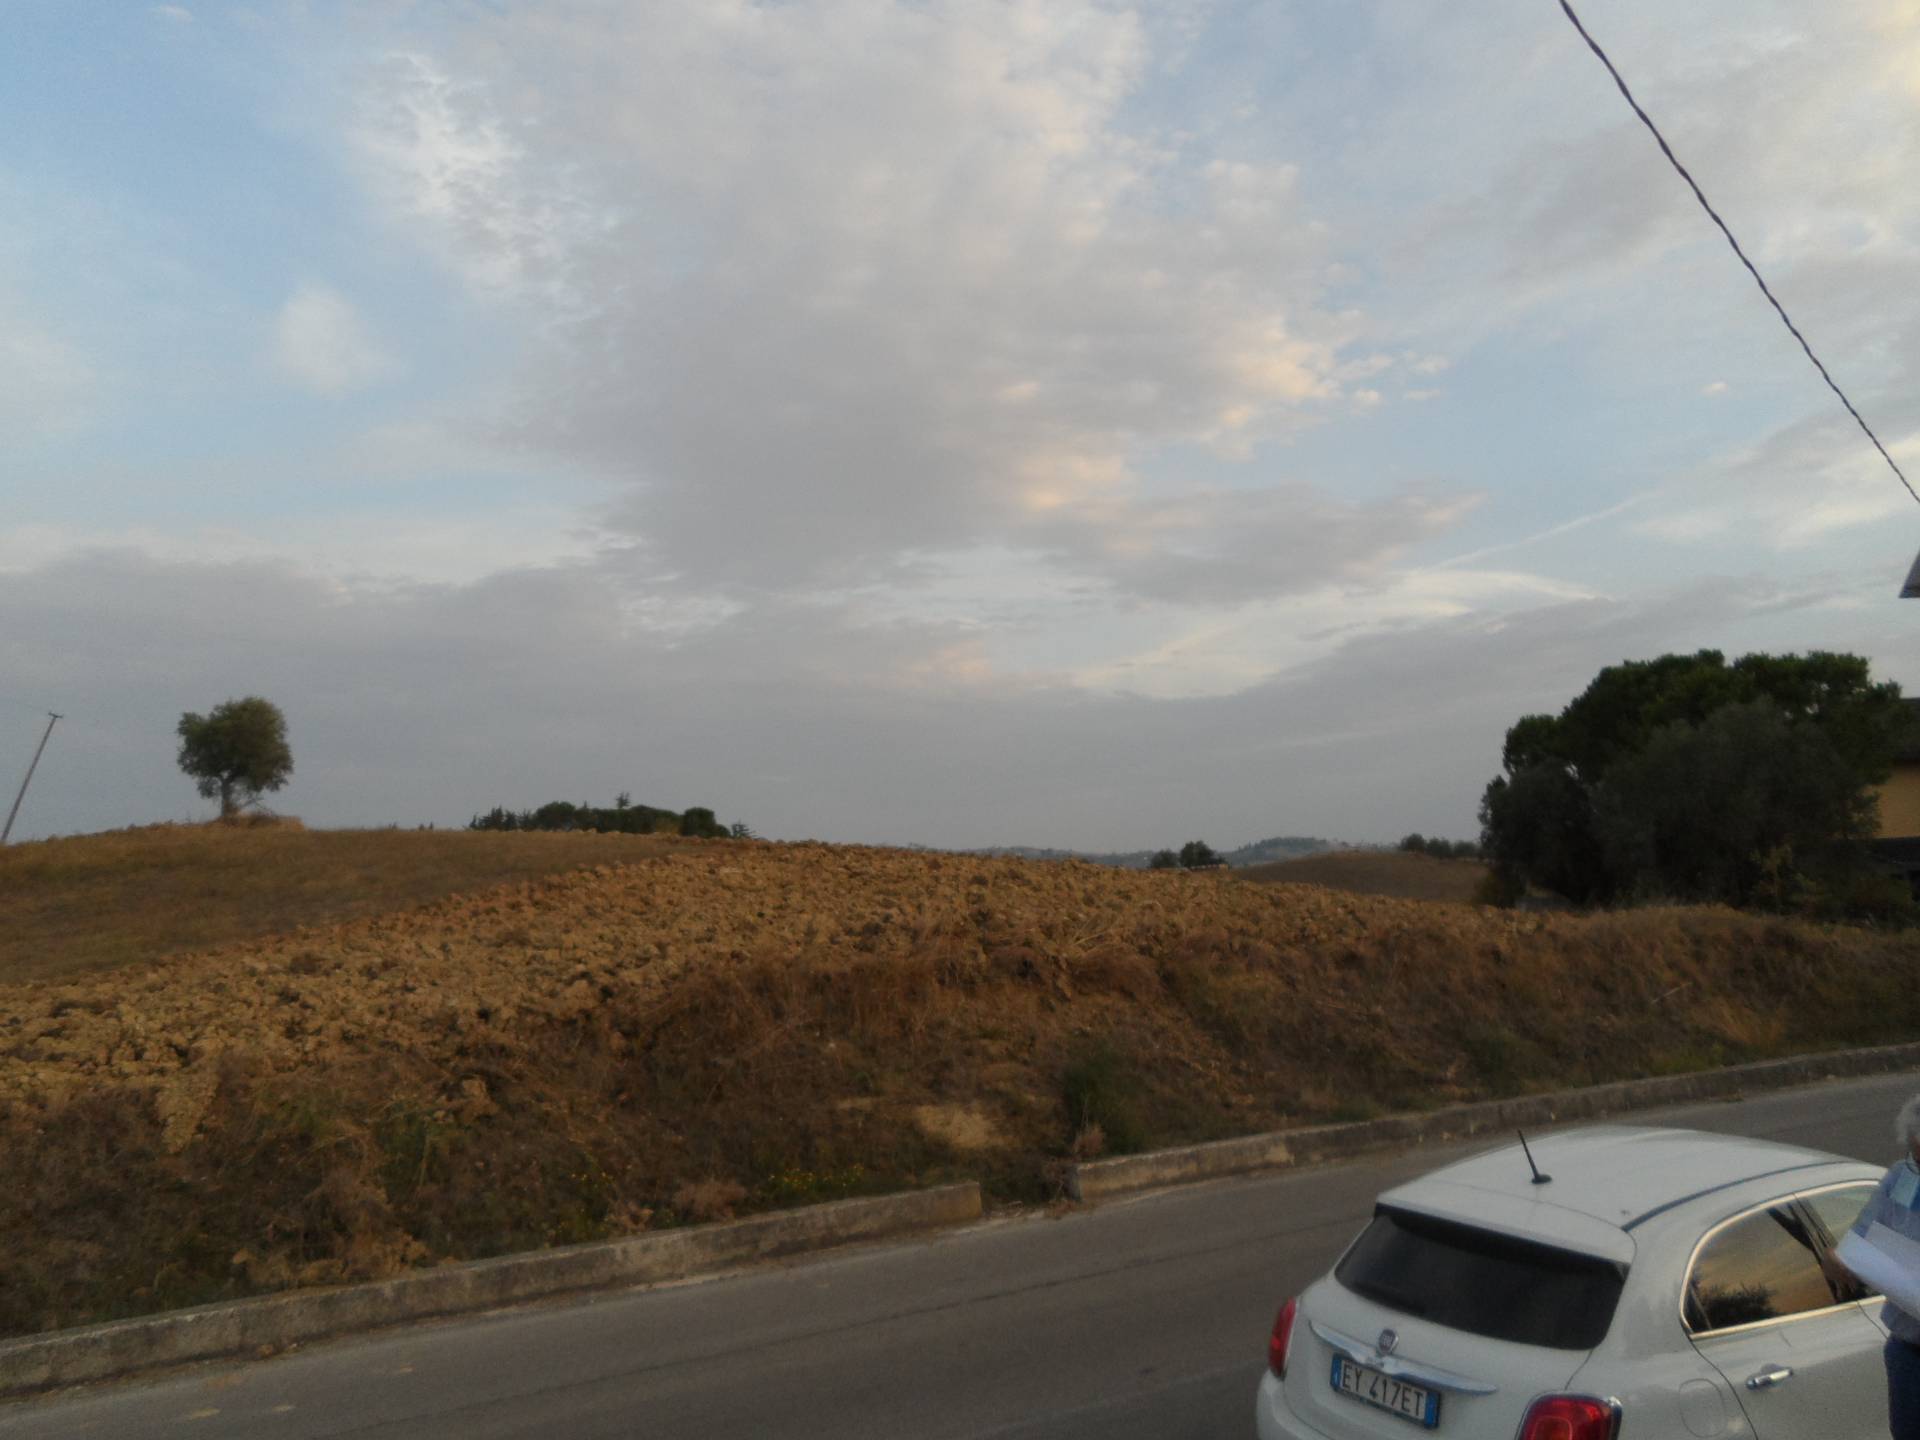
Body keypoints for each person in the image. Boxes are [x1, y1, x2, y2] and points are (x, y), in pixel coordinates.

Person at [1841, 1095, 1920, 1440]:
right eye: (1915, 1153)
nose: (1916, 1163)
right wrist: (1842, 1260)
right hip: (1907, 1348)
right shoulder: (1903, 1178)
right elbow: (1862, 1236)